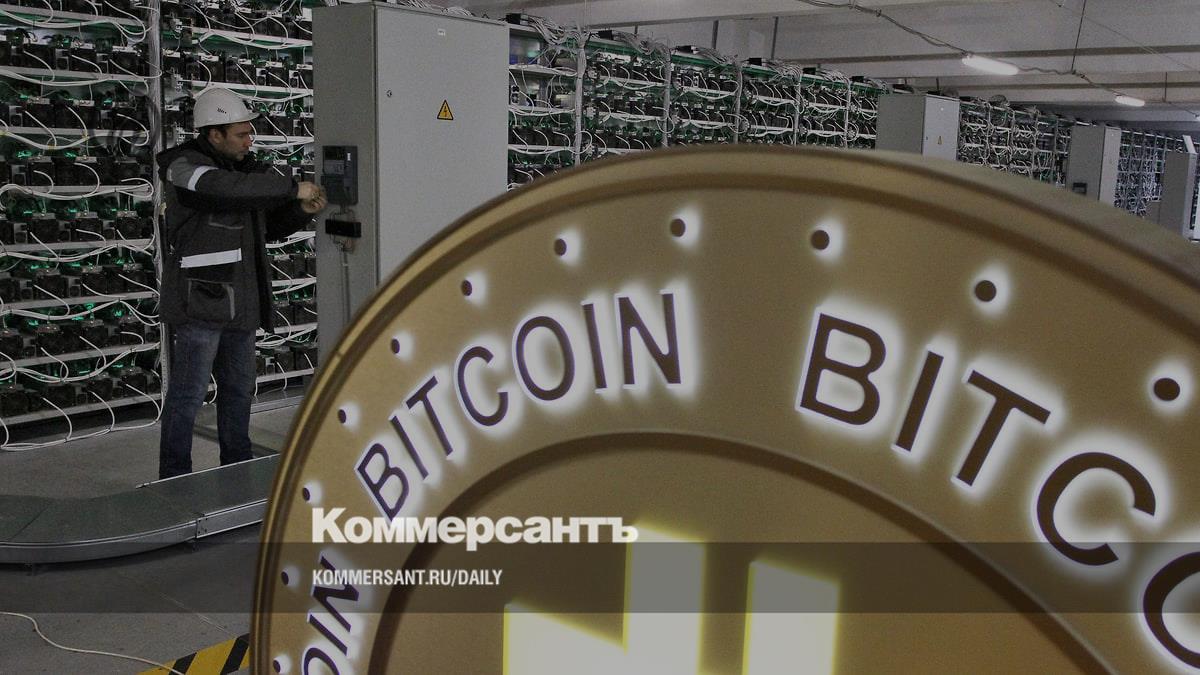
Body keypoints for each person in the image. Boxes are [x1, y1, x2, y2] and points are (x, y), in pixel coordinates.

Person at [156, 87, 326, 479]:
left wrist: (300, 210)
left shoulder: (246, 173)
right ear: (214, 134)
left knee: (238, 392)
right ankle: (175, 478)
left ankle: (237, 470)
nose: (250, 140)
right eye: (241, 134)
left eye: (250, 133)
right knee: (188, 395)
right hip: (200, 304)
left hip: (242, 303)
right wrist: (290, 188)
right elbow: (218, 188)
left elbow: (267, 227)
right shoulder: (183, 166)